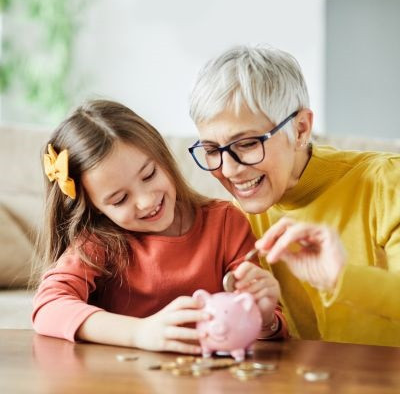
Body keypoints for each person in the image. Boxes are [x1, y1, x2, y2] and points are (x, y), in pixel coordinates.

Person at [32, 99, 286, 354]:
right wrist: (138, 333)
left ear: (162, 157)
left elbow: (266, 331)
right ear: (96, 207)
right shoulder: (98, 242)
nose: (146, 201)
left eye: (149, 175)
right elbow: (48, 305)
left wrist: (264, 317)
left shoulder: (226, 223)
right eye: (120, 199)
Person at [188, 44, 400, 346]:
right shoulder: (236, 217)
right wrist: (264, 323)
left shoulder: (388, 183)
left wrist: (342, 278)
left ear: (300, 130)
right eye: (211, 150)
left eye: (247, 144)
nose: (230, 170)